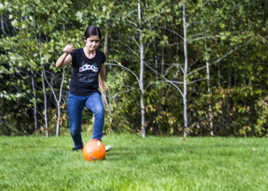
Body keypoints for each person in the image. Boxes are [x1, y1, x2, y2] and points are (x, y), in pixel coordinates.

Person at [56, 25, 110, 151]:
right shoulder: (76, 54)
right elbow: (58, 65)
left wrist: (102, 81)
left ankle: (96, 144)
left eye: (97, 41)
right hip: (75, 94)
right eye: (91, 41)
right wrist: (65, 52)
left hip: (92, 93)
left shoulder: (100, 56)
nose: (94, 44)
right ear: (85, 39)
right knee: (74, 129)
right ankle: (79, 146)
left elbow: (102, 68)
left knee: (100, 111)